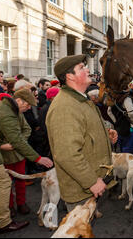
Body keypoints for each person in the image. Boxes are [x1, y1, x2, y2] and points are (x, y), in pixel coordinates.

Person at [46, 55, 117, 212]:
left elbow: (83, 130)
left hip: (88, 187)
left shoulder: (80, 100)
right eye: (82, 67)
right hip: (81, 190)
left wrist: (105, 134)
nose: (88, 69)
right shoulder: (65, 106)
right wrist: (91, 181)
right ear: (70, 76)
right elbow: (66, 154)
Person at [0, 88, 53, 234]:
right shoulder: (8, 115)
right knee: (4, 183)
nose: (29, 108)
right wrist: (38, 158)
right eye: (27, 105)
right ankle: (3, 223)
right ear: (18, 101)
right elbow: (16, 140)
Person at [0, 92, 32, 217]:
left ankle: (21, 203)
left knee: (21, 179)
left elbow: (27, 129)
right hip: (2, 156)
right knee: (5, 183)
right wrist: (1, 145)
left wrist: (20, 141)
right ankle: (9, 206)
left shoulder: (18, 114)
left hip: (19, 154)